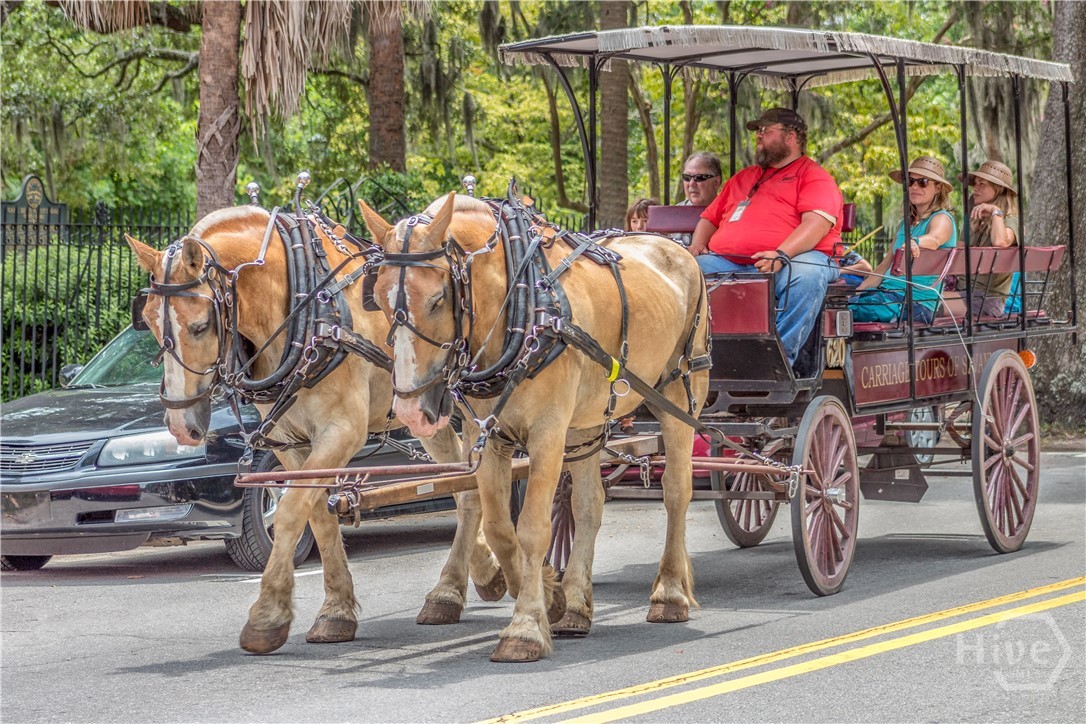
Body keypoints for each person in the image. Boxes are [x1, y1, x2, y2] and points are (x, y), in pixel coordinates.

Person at [689, 108, 843, 366]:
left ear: (791, 137)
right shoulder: (744, 177)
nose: (758, 136)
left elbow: (816, 224)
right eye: (757, 131)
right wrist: (696, 245)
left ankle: (777, 360)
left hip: (793, 261)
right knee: (688, 270)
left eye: (766, 130)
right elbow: (709, 218)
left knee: (806, 275)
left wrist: (781, 254)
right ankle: (699, 358)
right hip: (732, 263)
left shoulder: (814, 176)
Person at [849, 156, 958, 324]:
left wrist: (917, 242)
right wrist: (857, 292)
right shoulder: (905, 224)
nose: (914, 186)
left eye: (922, 182)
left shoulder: (942, 218)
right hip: (890, 296)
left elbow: (935, 238)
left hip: (917, 304)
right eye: (910, 181)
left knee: (852, 311)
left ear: (938, 188)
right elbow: (884, 266)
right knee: (841, 306)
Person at [964, 160, 1020, 317]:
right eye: (975, 183)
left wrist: (996, 212)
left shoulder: (1011, 221)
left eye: (982, 184)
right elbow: (958, 250)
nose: (975, 187)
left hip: (989, 300)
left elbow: (1001, 243)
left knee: (931, 305)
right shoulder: (973, 220)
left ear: (999, 189)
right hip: (963, 292)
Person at [672, 152, 723, 246]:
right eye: (687, 177)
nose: (691, 183)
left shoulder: (728, 214)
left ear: (716, 182)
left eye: (699, 178)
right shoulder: (673, 214)